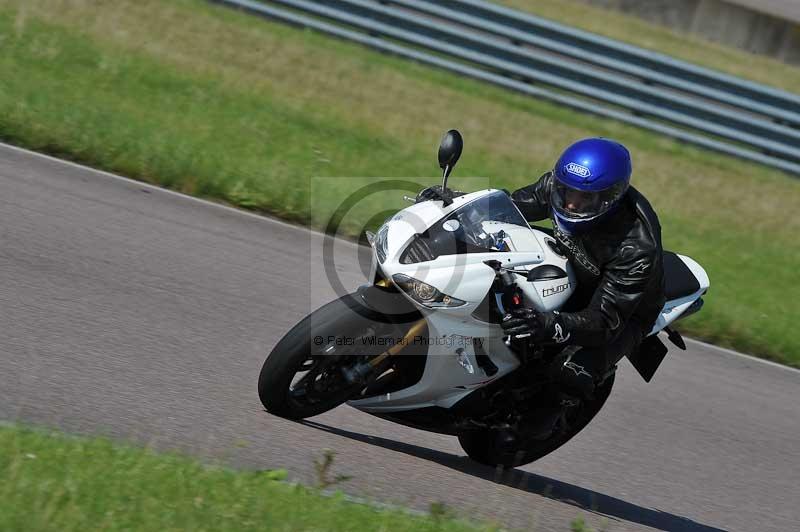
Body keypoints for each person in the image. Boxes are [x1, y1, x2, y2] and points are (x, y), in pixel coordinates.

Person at [502, 138, 666, 399]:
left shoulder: (635, 248)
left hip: (622, 311)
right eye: (567, 191)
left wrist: (551, 323)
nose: (571, 204)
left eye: (586, 197)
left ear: (610, 198)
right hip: (571, 272)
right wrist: (454, 203)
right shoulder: (558, 187)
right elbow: (506, 207)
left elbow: (604, 320)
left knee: (570, 372)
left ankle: (536, 424)